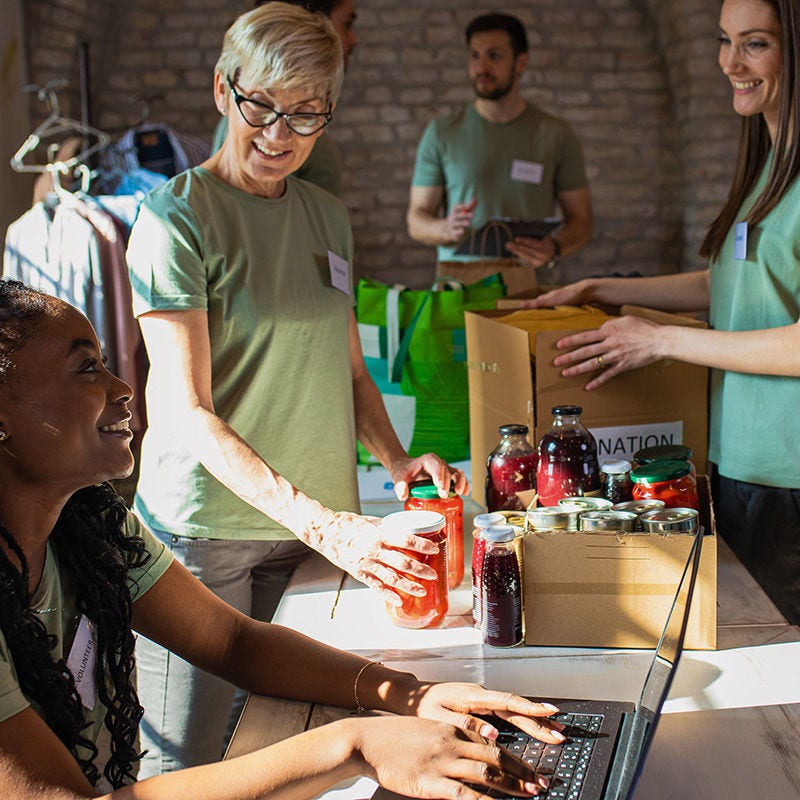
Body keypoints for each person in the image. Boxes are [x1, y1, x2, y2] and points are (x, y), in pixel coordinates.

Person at [0, 279, 565, 798]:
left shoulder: (90, 527)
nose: (123, 389)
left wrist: (409, 694)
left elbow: (232, 643)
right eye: (86, 369)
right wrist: (355, 745)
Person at [125, 2, 468, 776]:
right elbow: (186, 411)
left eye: (306, 115)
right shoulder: (176, 218)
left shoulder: (325, 216)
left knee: (294, 752)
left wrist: (397, 459)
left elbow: (346, 370)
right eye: (263, 108)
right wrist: (329, 528)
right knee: (188, 761)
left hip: (314, 529)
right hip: (204, 537)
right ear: (223, 91)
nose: (279, 136)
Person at [525, 0, 800, 626]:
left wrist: (662, 340)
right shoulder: (768, 168)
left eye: (754, 43)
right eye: (725, 40)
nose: (730, 62)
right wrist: (606, 289)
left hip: (790, 475)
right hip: (737, 463)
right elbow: (733, 285)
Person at [406, 12, 593, 297]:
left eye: (494, 56)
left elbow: (582, 219)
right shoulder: (442, 133)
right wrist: (446, 228)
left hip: (531, 288)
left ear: (521, 63)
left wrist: (554, 247)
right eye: (474, 56)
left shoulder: (557, 134)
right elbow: (416, 220)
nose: (481, 67)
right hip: (459, 289)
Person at [210, 0, 358, 196]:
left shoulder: (326, 212)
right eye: (260, 103)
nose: (277, 135)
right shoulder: (173, 214)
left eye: (304, 113)